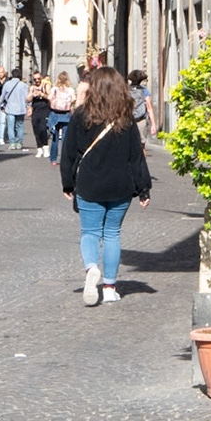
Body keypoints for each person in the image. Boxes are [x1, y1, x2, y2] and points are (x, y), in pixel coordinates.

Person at [61, 66, 152, 305]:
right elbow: (136, 157)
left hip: (90, 183)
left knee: (90, 233)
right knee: (112, 234)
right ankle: (110, 288)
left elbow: (69, 153)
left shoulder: (80, 116)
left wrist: (67, 184)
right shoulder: (126, 119)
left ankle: (92, 268)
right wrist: (144, 188)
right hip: (120, 185)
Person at [48, 71, 76, 165]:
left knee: (55, 138)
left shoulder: (55, 89)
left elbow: (49, 97)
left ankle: (53, 159)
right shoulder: (70, 89)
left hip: (55, 114)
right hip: (66, 115)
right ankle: (64, 159)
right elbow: (74, 99)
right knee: (64, 138)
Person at [0, 69, 29, 150]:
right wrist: (29, 106)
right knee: (20, 126)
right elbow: (27, 97)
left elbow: (2, 96)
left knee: (10, 126)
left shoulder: (7, 84)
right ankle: (19, 143)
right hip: (21, 108)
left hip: (10, 108)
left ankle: (12, 143)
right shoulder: (24, 85)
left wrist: (0, 104)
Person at [128, 70, 156, 138]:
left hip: (128, 120)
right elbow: (149, 108)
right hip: (141, 120)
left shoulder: (126, 90)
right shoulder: (144, 91)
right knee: (142, 144)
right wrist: (153, 124)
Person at [30, 73, 53, 157]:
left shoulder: (46, 85)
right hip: (35, 109)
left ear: (41, 78)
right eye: (35, 79)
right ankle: (39, 148)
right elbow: (28, 99)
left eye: (38, 79)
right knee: (36, 128)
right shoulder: (32, 87)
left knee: (43, 128)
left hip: (45, 109)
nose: (37, 81)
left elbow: (50, 97)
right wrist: (32, 94)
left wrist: (41, 94)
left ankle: (45, 146)